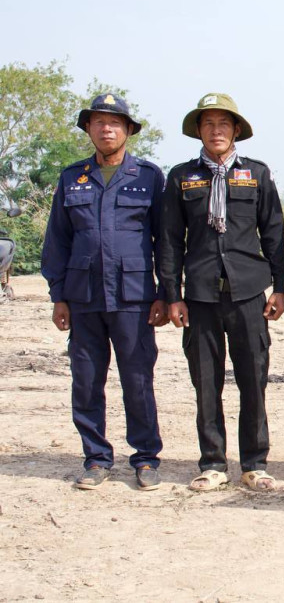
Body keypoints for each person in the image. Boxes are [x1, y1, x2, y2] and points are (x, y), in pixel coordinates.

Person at [159, 93, 284, 491]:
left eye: (224, 124)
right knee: (205, 382)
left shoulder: (257, 174)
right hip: (199, 297)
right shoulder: (181, 177)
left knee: (254, 380)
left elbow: (274, 233)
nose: (216, 130)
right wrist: (172, 295)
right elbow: (169, 241)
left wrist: (280, 288)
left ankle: (254, 464)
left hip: (248, 293)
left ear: (236, 131)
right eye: (208, 123)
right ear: (198, 131)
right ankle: (213, 463)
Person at [41, 93, 167, 491]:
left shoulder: (148, 176)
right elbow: (57, 241)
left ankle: (145, 458)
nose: (106, 129)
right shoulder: (71, 177)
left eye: (114, 123)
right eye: (98, 122)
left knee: (138, 379)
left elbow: (165, 241)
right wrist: (58, 296)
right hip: (83, 298)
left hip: (134, 297)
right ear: (88, 129)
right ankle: (96, 459)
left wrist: (165, 292)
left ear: (128, 130)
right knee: (86, 381)